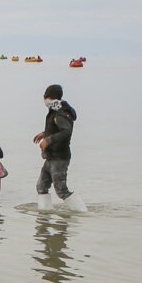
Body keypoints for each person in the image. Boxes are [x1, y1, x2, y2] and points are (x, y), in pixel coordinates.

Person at [33, 84, 85, 212]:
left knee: (61, 190)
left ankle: (82, 212)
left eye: (46, 98)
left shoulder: (60, 114)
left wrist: (48, 140)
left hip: (60, 158)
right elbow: (56, 129)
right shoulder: (55, 111)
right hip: (51, 157)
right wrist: (45, 133)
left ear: (49, 98)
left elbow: (66, 131)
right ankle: (45, 214)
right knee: (41, 186)